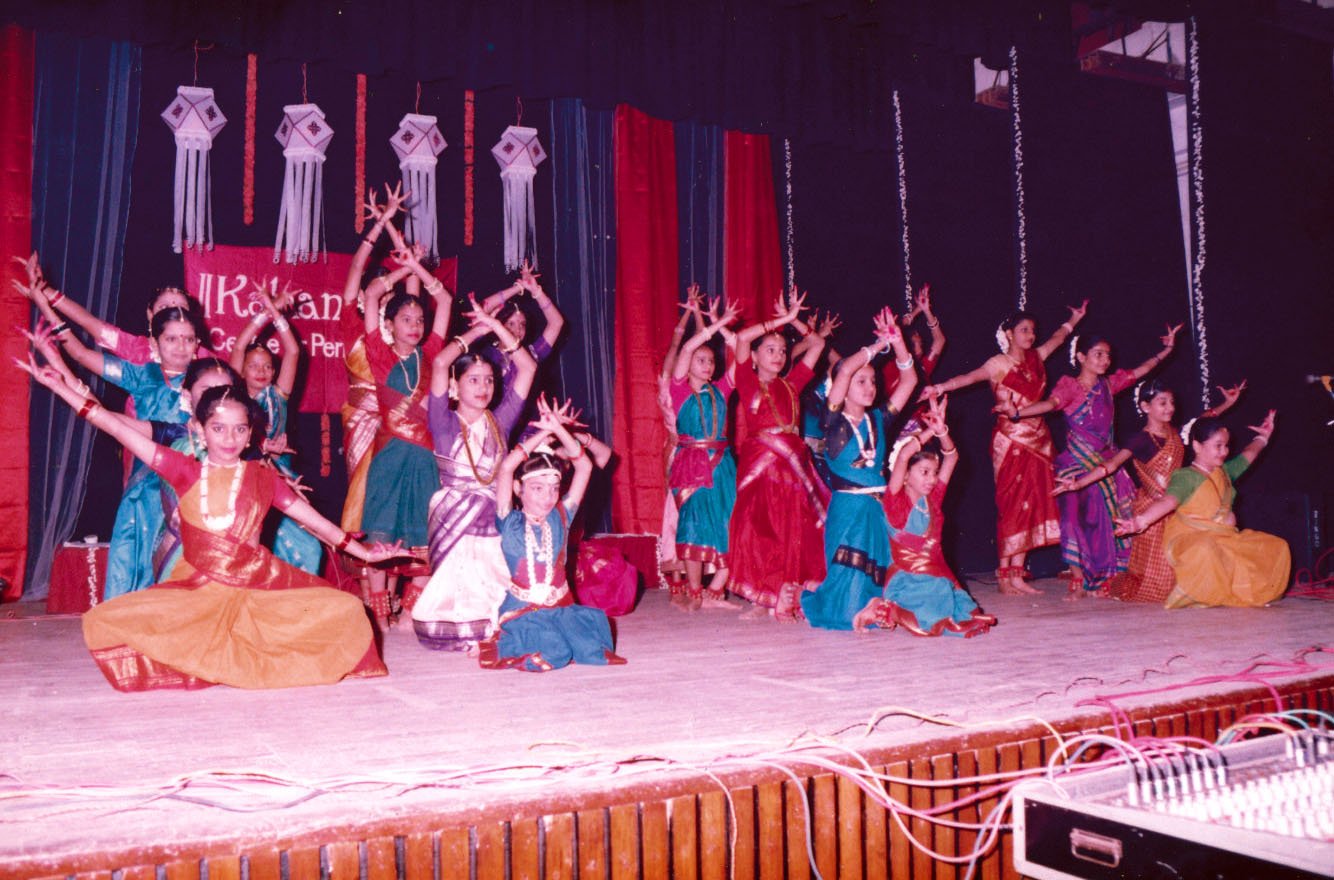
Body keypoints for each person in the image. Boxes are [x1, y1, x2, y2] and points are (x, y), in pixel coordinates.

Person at [20, 351, 402, 691]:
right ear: (200, 431)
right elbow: (116, 426)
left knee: (348, 612)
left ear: (250, 432)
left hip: (256, 587)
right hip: (196, 589)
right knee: (106, 621)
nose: (229, 438)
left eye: (239, 429)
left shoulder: (263, 478)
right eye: (218, 428)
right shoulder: (184, 470)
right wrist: (63, 390)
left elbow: (318, 523)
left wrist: (365, 554)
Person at [997, 326, 1180, 596]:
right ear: (1081, 357)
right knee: (1077, 515)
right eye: (1098, 354)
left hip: (1107, 459)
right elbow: (1049, 405)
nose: (1105, 360)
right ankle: (1079, 577)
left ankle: (1111, 575)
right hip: (1077, 461)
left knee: (1119, 508)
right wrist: (1017, 414)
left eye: (1107, 355)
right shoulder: (1070, 387)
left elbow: (1141, 371)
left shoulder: (1109, 384)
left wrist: (1167, 351)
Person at [38, 300, 205, 598]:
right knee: (128, 550)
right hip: (143, 481)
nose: (180, 346)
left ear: (198, 344)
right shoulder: (142, 376)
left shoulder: (208, 380)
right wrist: (54, 350)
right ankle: (122, 631)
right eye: (171, 338)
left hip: (187, 485)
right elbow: (79, 353)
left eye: (188, 339)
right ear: (154, 342)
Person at [923, 301, 1088, 595]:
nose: (1031, 335)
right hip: (1010, 440)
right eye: (1024, 330)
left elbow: (1058, 339)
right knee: (1013, 505)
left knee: (1032, 504)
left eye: (1033, 331)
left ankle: (1015, 574)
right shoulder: (998, 364)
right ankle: (1004, 574)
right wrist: (940, 388)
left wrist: (1073, 320)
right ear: (1009, 334)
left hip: (1038, 439)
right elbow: (969, 378)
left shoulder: (1037, 357)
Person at [410, 297, 538, 648]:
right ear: (455, 387)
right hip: (453, 516)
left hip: (492, 514)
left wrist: (498, 329)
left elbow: (526, 368)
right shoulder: (444, 420)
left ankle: (495, 629)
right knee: (458, 589)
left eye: (489, 381)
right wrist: (475, 331)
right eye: (474, 380)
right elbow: (439, 362)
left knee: (495, 582)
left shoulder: (501, 421)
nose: (483, 388)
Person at [479, 398, 627, 671]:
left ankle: (562, 636)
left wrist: (559, 428)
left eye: (554, 488)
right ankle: (507, 642)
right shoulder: (508, 520)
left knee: (590, 650)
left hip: (561, 607)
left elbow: (585, 467)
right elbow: (507, 467)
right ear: (517, 488)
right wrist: (545, 432)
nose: (548, 497)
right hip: (523, 611)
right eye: (537, 488)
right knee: (555, 652)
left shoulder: (562, 517)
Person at [801, 307, 918, 630]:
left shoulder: (879, 418)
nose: (870, 387)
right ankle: (822, 593)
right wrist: (878, 344)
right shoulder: (832, 419)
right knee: (843, 610)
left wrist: (898, 343)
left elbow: (910, 379)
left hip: (878, 508)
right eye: (862, 381)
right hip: (848, 510)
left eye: (873, 381)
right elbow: (843, 371)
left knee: (882, 578)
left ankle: (876, 605)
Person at [360, 242, 452, 620]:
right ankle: (381, 612)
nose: (415, 326)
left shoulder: (431, 353)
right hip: (389, 455)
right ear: (390, 324)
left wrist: (420, 267)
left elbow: (443, 300)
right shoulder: (379, 354)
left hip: (425, 456)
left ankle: (413, 605)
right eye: (406, 320)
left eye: (419, 320)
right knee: (382, 530)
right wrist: (401, 272)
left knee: (426, 534)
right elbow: (371, 294)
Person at [853, 396, 995, 637]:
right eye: (925, 472)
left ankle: (927, 611)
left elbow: (952, 457)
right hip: (907, 580)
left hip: (934, 574)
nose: (931, 479)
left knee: (964, 606)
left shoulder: (934, 498)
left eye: (934, 473)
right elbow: (904, 455)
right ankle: (888, 608)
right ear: (906, 475)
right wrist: (930, 430)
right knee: (940, 593)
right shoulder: (896, 499)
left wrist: (943, 431)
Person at [1116, 412, 1289, 608]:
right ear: (1198, 446)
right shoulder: (1186, 476)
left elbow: (1249, 454)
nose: (1224, 451)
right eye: (1218, 446)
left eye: (1226, 445)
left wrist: (1263, 436)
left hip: (1225, 538)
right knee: (1206, 548)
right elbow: (1168, 501)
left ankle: (1237, 592)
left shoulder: (1225, 472)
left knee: (1276, 546)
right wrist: (1140, 521)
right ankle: (1204, 593)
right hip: (1190, 541)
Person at [728, 291, 830, 621]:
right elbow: (743, 337)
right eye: (770, 350)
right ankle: (762, 597)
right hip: (760, 465)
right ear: (754, 358)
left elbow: (816, 346)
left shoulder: (792, 384)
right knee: (757, 530)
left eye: (783, 351)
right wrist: (782, 321)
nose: (779, 356)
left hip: (791, 468)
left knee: (793, 531)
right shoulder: (746, 380)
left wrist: (796, 321)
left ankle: (788, 592)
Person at [1108, 379, 1244, 603]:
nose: (1170, 407)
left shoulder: (1176, 433)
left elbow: (1202, 421)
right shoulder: (1140, 439)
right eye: (1162, 402)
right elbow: (1112, 465)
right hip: (1152, 507)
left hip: (1179, 504)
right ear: (1145, 407)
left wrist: (1227, 404)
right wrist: (1078, 483)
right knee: (1156, 584)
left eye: (1171, 402)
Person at [229, 279, 323, 574]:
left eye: (268, 366)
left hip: (283, 477)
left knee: (309, 548)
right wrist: (264, 313)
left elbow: (293, 351)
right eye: (254, 366)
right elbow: (241, 344)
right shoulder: (235, 397)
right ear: (241, 369)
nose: (262, 372)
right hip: (244, 482)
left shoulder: (278, 395)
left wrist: (276, 312)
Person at [667, 295, 741, 610]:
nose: (707, 364)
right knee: (694, 522)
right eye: (701, 359)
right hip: (691, 464)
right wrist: (717, 324)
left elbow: (740, 352)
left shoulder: (722, 390)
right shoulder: (679, 389)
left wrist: (726, 331)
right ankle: (694, 590)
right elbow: (684, 349)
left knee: (728, 520)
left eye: (711, 360)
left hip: (722, 464)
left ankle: (716, 590)